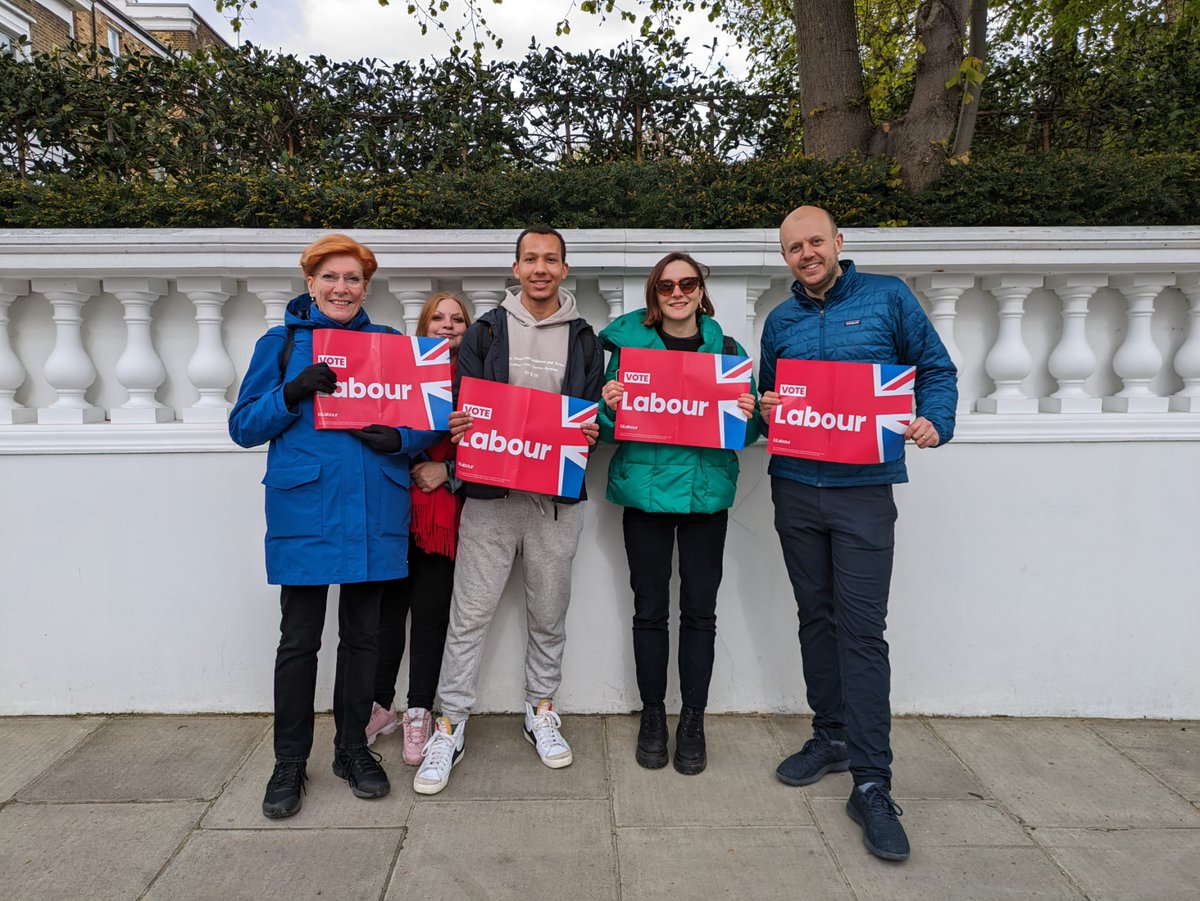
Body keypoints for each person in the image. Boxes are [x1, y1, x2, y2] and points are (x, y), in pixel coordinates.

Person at [759, 206, 957, 862]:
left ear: (839, 242)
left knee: (862, 629)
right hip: (794, 488)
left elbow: (938, 369)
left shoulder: (888, 297)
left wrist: (934, 419)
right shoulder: (781, 321)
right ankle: (831, 735)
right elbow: (767, 399)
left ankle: (872, 781)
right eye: (794, 247)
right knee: (814, 616)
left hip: (864, 494)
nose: (806, 253)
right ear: (786, 256)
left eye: (815, 241)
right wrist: (759, 409)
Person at [229, 234, 442, 819]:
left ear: (366, 288)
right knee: (299, 640)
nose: (342, 288)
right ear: (310, 283)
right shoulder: (279, 344)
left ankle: (352, 749)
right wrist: (292, 392)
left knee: (364, 639)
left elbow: (429, 420)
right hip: (308, 509)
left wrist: (401, 439)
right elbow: (243, 426)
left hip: (375, 506)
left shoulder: (392, 345)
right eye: (331, 277)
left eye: (353, 279)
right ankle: (290, 762)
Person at [413, 225, 604, 795]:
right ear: (515, 267)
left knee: (549, 613)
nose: (540, 268)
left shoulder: (586, 338)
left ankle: (541, 710)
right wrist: (460, 425)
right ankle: (450, 726)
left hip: (554, 503)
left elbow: (589, 411)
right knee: (468, 617)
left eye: (551, 259)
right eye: (530, 259)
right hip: (491, 501)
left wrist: (589, 429)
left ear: (564, 269)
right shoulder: (486, 329)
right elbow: (466, 405)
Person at [596, 251, 759, 775]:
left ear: (700, 290)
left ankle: (692, 717)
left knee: (700, 611)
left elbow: (749, 434)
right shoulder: (625, 349)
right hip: (644, 493)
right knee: (649, 610)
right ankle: (651, 715)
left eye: (687, 283)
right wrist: (609, 404)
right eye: (666, 286)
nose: (677, 293)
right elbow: (600, 424)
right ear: (654, 294)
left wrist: (751, 416)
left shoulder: (728, 349)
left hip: (704, 495)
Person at [367, 292, 471, 765]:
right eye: (438, 319)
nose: (447, 326)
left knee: (430, 616)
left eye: (458, 320)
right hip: (395, 510)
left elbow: (498, 451)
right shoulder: (397, 376)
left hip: (443, 517)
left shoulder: (478, 384)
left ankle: (418, 712)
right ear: (423, 328)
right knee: (388, 614)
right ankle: (379, 706)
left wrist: (446, 475)